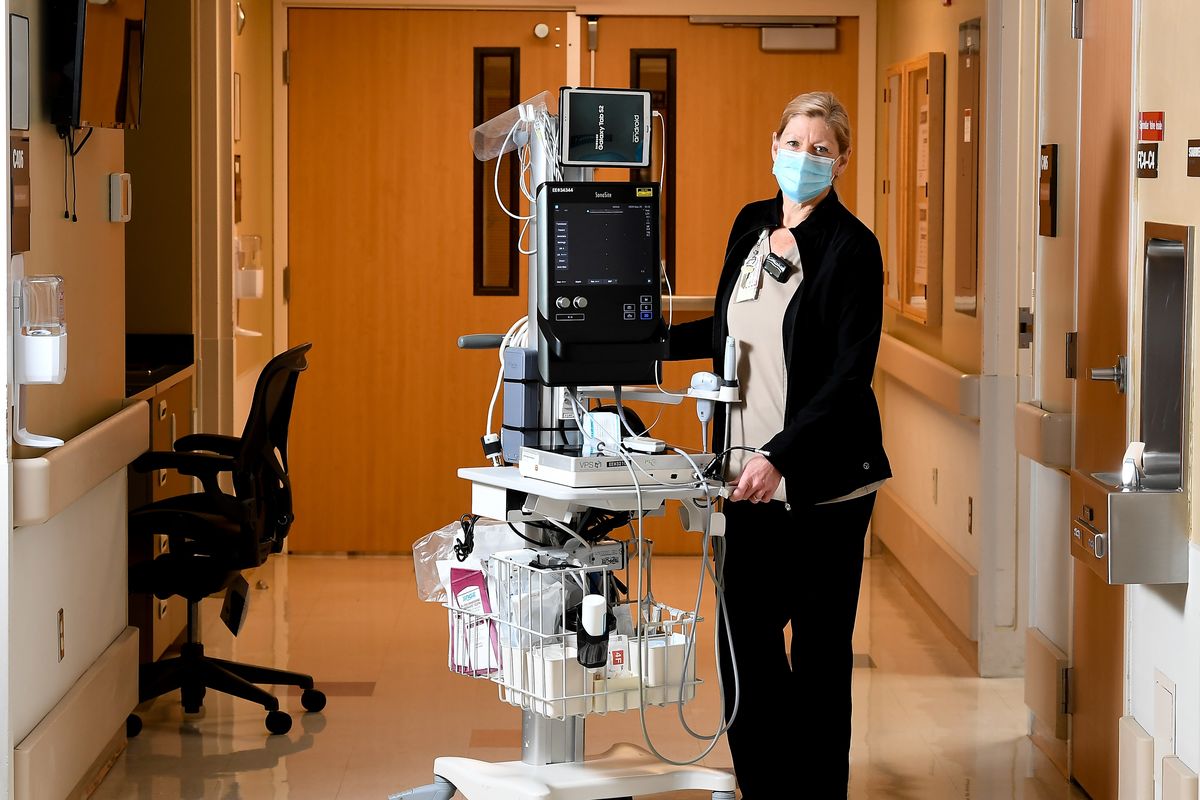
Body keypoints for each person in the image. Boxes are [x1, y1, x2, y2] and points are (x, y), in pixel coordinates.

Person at [669, 91, 891, 798]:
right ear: (773, 148)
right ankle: (765, 787)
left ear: (842, 160)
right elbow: (726, 331)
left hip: (823, 488)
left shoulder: (853, 248)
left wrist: (780, 456)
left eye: (821, 149)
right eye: (794, 144)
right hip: (747, 482)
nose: (804, 159)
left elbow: (849, 376)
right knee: (746, 653)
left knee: (820, 662)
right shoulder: (751, 224)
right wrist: (631, 345)